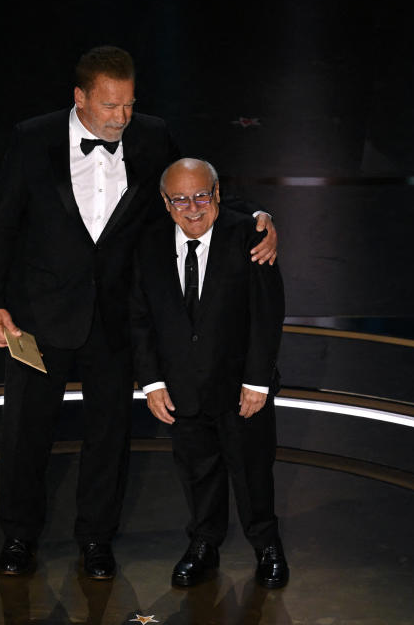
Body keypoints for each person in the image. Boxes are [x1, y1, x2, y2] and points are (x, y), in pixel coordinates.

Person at [0, 46, 278, 580]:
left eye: (129, 106)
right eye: (110, 106)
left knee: (109, 435)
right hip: (38, 318)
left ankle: (96, 539)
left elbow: (191, 191)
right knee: (26, 432)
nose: (121, 118)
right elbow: (3, 224)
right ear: (81, 98)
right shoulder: (33, 138)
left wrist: (256, 216)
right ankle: (19, 536)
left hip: (115, 321)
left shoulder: (151, 135)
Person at [130, 158, 289, 589]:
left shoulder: (249, 236)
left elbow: (267, 315)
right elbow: (140, 318)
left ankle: (267, 545)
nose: (193, 207)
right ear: (166, 203)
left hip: (242, 389)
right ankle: (204, 544)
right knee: (197, 472)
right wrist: (153, 382)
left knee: (252, 470)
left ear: (217, 194)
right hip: (181, 389)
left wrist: (257, 380)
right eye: (180, 199)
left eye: (202, 195)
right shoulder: (149, 243)